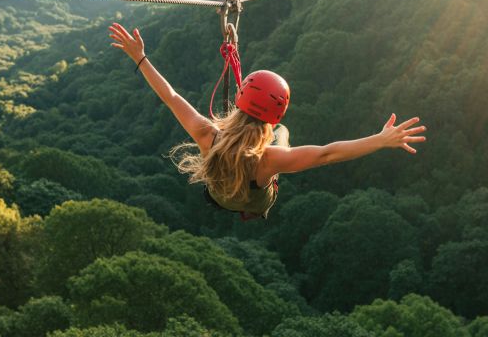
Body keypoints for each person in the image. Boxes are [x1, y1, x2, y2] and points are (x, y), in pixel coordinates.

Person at [108, 22, 427, 219]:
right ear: (274, 116)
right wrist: (381, 140)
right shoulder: (270, 159)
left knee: (263, 143)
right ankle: (276, 138)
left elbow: (171, 96)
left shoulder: (207, 134)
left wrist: (140, 57)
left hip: (217, 197)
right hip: (257, 202)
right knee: (283, 135)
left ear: (240, 101)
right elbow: (327, 154)